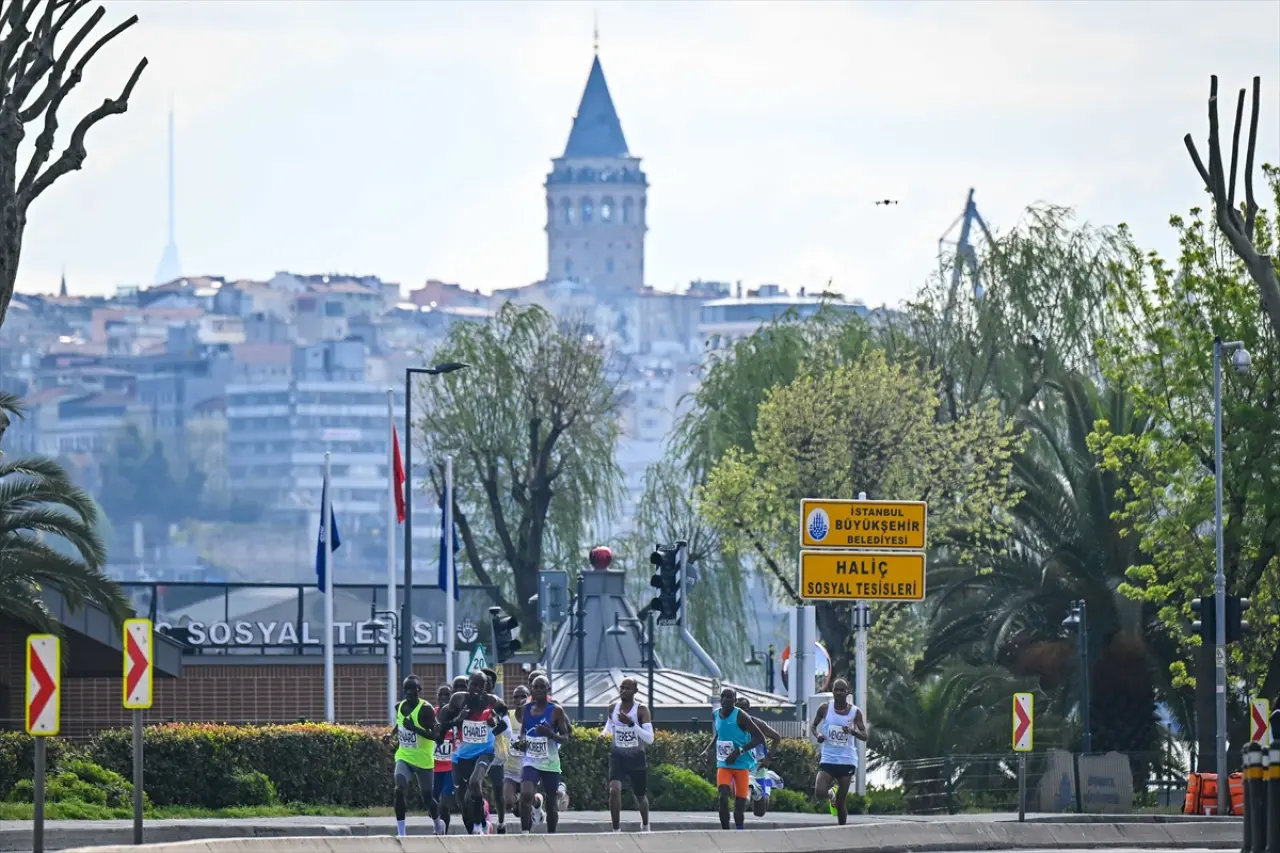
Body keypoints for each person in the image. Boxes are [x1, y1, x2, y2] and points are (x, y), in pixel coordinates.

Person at [436, 671, 509, 836]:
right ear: (468, 684)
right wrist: (459, 720)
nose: (476, 688)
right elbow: (443, 726)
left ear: (485, 688)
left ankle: (478, 825)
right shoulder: (458, 699)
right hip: (460, 756)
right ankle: (479, 826)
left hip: (485, 752)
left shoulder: (491, 700)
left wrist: (494, 721)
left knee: (475, 783)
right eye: (473, 684)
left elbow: (504, 718)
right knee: (463, 802)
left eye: (480, 685)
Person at [516, 674, 571, 834]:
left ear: (548, 690)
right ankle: (525, 833)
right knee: (526, 794)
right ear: (531, 689)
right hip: (530, 760)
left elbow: (566, 738)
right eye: (536, 687)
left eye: (542, 687)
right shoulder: (525, 709)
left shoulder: (556, 710)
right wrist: (521, 742)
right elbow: (523, 732)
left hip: (549, 762)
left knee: (552, 802)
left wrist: (550, 734)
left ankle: (551, 836)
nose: (539, 690)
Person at [810, 677, 867, 826]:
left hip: (847, 760)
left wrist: (852, 732)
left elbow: (865, 736)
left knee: (841, 803)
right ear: (832, 691)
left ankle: (842, 830)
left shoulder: (855, 712)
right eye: (836, 689)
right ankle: (831, 794)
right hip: (828, 758)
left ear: (848, 692)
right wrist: (818, 735)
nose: (839, 692)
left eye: (842, 690)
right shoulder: (824, 708)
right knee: (820, 792)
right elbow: (813, 727)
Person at [600, 676, 653, 832]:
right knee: (614, 790)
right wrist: (603, 734)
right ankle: (616, 830)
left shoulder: (641, 710)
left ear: (635, 691)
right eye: (622, 687)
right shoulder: (613, 708)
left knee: (640, 796)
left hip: (637, 758)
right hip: (618, 757)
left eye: (628, 688)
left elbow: (649, 739)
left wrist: (631, 724)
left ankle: (645, 824)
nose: (623, 691)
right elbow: (609, 725)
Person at [711, 686, 765, 830]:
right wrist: (708, 749)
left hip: (741, 764)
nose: (725, 700)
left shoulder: (741, 716)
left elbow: (759, 737)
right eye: (723, 696)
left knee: (739, 806)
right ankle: (725, 831)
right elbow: (719, 735)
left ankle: (739, 830)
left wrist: (738, 752)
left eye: (729, 697)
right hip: (724, 764)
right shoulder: (716, 714)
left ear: (734, 701)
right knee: (723, 796)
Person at [392, 675, 437, 837]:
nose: (409, 693)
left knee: (427, 798)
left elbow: (436, 736)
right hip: (404, 756)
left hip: (423, 760)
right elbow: (399, 723)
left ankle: (437, 823)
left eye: (413, 689)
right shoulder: (399, 706)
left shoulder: (426, 709)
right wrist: (390, 735)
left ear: (419, 690)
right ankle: (401, 832)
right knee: (399, 790)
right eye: (406, 689)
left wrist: (415, 729)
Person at [735, 696, 782, 818]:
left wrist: (768, 759)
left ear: (748, 710)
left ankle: (769, 779)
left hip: (758, 765)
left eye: (743, 709)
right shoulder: (731, 725)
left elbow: (777, 737)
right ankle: (748, 790)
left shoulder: (758, 724)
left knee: (759, 812)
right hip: (741, 764)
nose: (741, 712)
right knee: (741, 795)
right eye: (738, 709)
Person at [480, 668, 510, 833]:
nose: (485, 686)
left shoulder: (496, 703)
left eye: (488, 683)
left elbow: (505, 726)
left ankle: (501, 822)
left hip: (496, 752)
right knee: (477, 786)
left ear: (491, 686)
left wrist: (491, 730)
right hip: (476, 750)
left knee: (498, 789)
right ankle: (484, 820)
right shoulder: (474, 700)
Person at [503, 685, 531, 830]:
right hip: (511, 770)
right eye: (516, 697)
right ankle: (518, 801)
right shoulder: (508, 716)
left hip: (529, 769)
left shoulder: (534, 716)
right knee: (507, 801)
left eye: (523, 696)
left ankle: (537, 803)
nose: (519, 700)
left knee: (526, 812)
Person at [431, 684, 458, 835]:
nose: (443, 698)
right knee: (432, 801)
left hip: (450, 766)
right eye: (440, 695)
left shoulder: (457, 715)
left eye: (447, 695)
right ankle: (438, 824)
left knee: (445, 800)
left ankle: (443, 831)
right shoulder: (432, 713)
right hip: (434, 765)